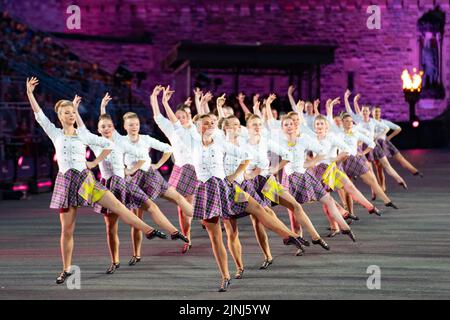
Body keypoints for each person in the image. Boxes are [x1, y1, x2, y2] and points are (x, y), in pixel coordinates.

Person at [26, 78, 166, 284]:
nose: (71, 115)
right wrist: (30, 94)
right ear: (59, 116)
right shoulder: (55, 133)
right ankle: (66, 269)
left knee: (118, 206)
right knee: (67, 230)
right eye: (67, 112)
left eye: (73, 112)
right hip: (66, 182)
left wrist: (94, 162)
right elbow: (39, 117)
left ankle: (149, 231)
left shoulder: (83, 135)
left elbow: (108, 143)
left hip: (86, 179)